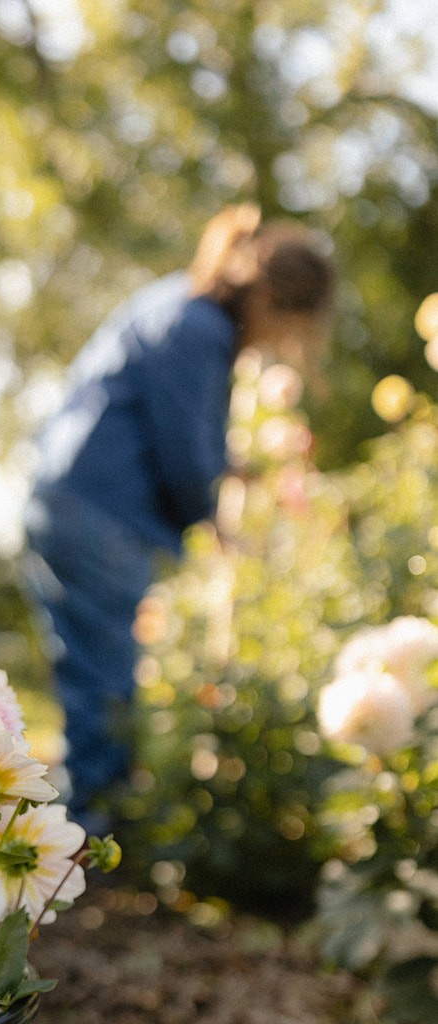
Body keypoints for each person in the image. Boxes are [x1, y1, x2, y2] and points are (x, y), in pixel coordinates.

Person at [24, 204, 335, 832]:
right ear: (277, 307)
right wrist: (213, 514)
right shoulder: (202, 330)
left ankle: (82, 829)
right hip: (101, 513)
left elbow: (169, 427)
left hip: (68, 495)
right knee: (106, 682)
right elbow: (185, 455)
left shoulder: (179, 304)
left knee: (88, 673)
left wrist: (226, 467)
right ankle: (95, 837)